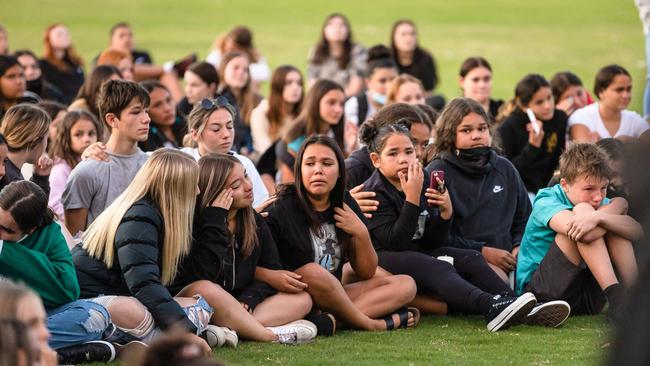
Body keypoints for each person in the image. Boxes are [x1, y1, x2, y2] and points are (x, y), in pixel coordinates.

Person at [359, 120, 568, 329]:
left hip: (416, 251)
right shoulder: (375, 192)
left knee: (473, 258)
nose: (403, 159)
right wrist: (412, 199)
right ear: (376, 160)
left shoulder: (421, 180)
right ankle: (492, 306)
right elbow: (397, 242)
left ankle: (518, 304)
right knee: (439, 267)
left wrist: (445, 213)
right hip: (383, 257)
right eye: (393, 154)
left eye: (409, 151)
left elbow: (432, 240)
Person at [265, 134, 419, 332]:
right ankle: (371, 323)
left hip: (333, 298)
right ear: (299, 170)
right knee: (311, 271)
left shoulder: (345, 202)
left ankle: (332, 321)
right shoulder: (281, 207)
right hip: (294, 298)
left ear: (339, 171)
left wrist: (361, 232)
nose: (318, 170)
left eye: (327, 163)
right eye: (310, 163)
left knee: (407, 285)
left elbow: (366, 272)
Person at [72, 149, 213, 351]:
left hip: (115, 295)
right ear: (175, 187)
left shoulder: (153, 214)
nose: (198, 191)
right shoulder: (140, 219)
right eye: (193, 184)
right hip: (91, 301)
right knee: (138, 312)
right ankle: (176, 344)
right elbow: (143, 283)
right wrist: (185, 332)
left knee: (200, 305)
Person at [171, 154, 317, 344]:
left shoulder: (252, 220)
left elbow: (272, 266)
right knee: (207, 288)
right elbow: (203, 274)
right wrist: (215, 220)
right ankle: (271, 335)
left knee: (302, 299)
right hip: (199, 301)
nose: (249, 186)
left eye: (246, 176)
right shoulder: (194, 224)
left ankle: (231, 329)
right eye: (235, 186)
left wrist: (251, 297)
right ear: (214, 191)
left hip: (239, 302)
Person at [516, 143, 643, 323]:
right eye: (589, 189)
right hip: (541, 296)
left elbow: (637, 231)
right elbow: (584, 234)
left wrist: (605, 215)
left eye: (604, 188)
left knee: (612, 224)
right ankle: (616, 296)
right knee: (584, 214)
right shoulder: (546, 200)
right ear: (565, 184)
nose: (598, 197)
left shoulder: (599, 203)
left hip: (585, 296)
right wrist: (615, 207)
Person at [0, 183, 116, 363]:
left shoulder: (50, 235)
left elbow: (67, 291)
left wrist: (4, 252)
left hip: (33, 318)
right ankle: (63, 356)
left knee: (95, 314)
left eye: (7, 230)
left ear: (30, 230)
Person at [425, 98, 531, 282]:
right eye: (466, 130)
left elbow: (524, 218)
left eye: (482, 128)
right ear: (449, 134)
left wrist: (518, 245)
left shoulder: (505, 168)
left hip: (510, 258)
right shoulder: (438, 173)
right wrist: (483, 251)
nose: (477, 135)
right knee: (499, 281)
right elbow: (437, 236)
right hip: (465, 259)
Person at [62, 79, 150, 237]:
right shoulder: (86, 172)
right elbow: (73, 239)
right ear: (111, 119)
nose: (146, 119)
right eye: (136, 112)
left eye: (146, 111)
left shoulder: (153, 164)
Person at [181, 97, 269, 207]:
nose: (226, 134)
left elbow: (262, 205)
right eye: (216, 129)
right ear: (195, 134)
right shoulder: (182, 162)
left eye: (229, 126)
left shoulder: (244, 163)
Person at [497, 74, 567, 199]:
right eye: (539, 102)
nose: (548, 105)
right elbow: (506, 171)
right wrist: (532, 147)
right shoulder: (509, 127)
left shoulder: (560, 118)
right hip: (522, 190)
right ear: (525, 107)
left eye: (549, 98)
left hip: (552, 187)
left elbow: (558, 160)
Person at [345, 103, 430, 190]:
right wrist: (349, 201)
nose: (419, 153)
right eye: (413, 142)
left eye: (425, 145)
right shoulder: (352, 170)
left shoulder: (420, 174)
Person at [277, 79, 345, 183]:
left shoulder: (336, 134)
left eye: (341, 104)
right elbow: (288, 187)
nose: (338, 109)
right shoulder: (296, 141)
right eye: (331, 102)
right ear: (315, 103)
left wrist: (352, 148)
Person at [250, 65, 304, 193]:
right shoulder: (261, 113)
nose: (295, 87)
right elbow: (265, 151)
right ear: (277, 86)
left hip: (300, 168)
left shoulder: (303, 114)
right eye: (289, 83)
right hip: (268, 170)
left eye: (299, 83)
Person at [104, 22, 188, 101]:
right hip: (121, 95)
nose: (127, 39)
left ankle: (182, 111)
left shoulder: (142, 55)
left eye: (130, 35)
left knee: (167, 75)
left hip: (145, 91)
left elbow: (152, 79)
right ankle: (170, 67)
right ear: (111, 41)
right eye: (121, 36)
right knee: (167, 71)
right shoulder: (104, 58)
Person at [568, 65, 649, 142]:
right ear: (601, 92)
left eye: (628, 89)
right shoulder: (581, 117)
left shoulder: (634, 119)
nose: (626, 95)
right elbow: (583, 154)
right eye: (619, 90)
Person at [48, 110, 100, 223]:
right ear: (66, 137)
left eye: (91, 133)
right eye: (78, 134)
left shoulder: (98, 162)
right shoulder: (60, 169)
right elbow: (55, 207)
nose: (87, 139)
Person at [307, 14, 367, 97]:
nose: (337, 29)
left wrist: (336, 99)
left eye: (342, 25)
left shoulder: (357, 51)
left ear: (348, 30)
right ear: (324, 31)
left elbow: (355, 87)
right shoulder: (316, 51)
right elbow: (312, 84)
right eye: (331, 25)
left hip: (350, 100)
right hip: (322, 99)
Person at [0, 104, 52, 194]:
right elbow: (35, 208)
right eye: (46, 138)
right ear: (35, 141)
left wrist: (40, 177)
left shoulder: (11, 170)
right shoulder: (9, 179)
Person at [218, 51, 262, 155]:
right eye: (236, 68)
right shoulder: (217, 100)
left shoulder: (257, 100)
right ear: (223, 69)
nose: (241, 72)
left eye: (245, 70)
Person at [344, 45, 398, 128]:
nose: (389, 85)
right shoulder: (355, 106)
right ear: (368, 82)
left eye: (393, 79)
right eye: (382, 81)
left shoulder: (403, 102)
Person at [206, 26, 271, 92]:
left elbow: (265, 74)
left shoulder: (254, 56)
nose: (229, 48)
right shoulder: (217, 55)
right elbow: (209, 72)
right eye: (228, 42)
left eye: (234, 47)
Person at [39, 24, 84, 105]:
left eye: (67, 34)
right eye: (59, 34)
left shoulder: (75, 63)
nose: (64, 37)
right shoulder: (43, 64)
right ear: (49, 39)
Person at [390, 20, 438, 94]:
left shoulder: (425, 59)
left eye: (412, 34)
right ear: (394, 38)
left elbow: (429, 90)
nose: (408, 38)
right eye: (403, 34)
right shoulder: (387, 59)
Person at [138, 80, 186, 151]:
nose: (167, 108)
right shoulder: (142, 142)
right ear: (145, 111)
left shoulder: (188, 125)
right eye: (157, 105)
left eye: (168, 100)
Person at [458, 57, 503, 121]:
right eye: (475, 80)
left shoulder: (504, 111)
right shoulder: (451, 114)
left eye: (486, 79)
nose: (482, 85)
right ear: (462, 82)